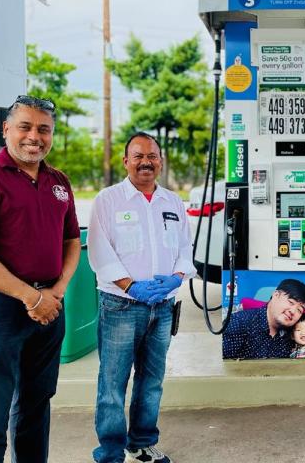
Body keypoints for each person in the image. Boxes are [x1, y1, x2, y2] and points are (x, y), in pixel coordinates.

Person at [0, 95, 81, 463]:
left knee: (35, 407)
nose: (34, 137)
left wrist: (56, 291)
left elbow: (72, 241)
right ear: (6, 129)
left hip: (49, 307)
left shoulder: (58, 182)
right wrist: (30, 297)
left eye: (44, 129)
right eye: (25, 127)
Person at [88, 132, 195, 463]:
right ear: (125, 161)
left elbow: (184, 249)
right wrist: (130, 285)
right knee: (112, 384)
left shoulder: (173, 202)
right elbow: (98, 250)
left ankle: (142, 442)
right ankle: (110, 451)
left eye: (152, 156)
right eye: (138, 156)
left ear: (161, 162)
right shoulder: (108, 200)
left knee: (151, 382)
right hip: (121, 305)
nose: (146, 162)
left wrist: (175, 279)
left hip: (162, 307)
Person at [222, 279, 305, 359]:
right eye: (291, 302)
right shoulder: (238, 322)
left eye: (299, 310)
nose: (293, 311)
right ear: (276, 295)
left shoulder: (294, 333)